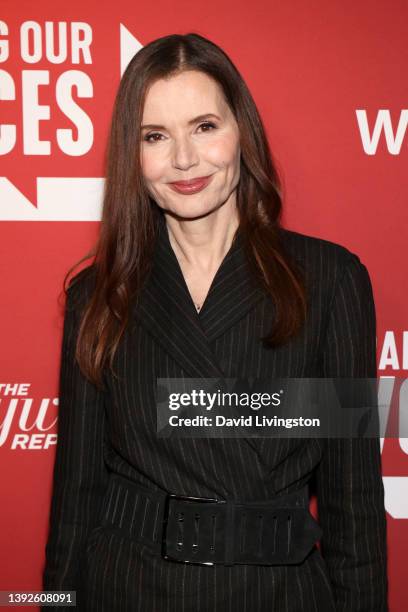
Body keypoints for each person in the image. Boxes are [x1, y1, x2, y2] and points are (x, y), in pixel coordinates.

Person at [42, 32, 388, 611]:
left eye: (204, 126)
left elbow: (352, 500)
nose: (183, 159)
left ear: (241, 133)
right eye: (156, 136)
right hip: (128, 588)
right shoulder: (97, 295)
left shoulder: (330, 281)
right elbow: (75, 502)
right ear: (134, 154)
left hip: (276, 593)